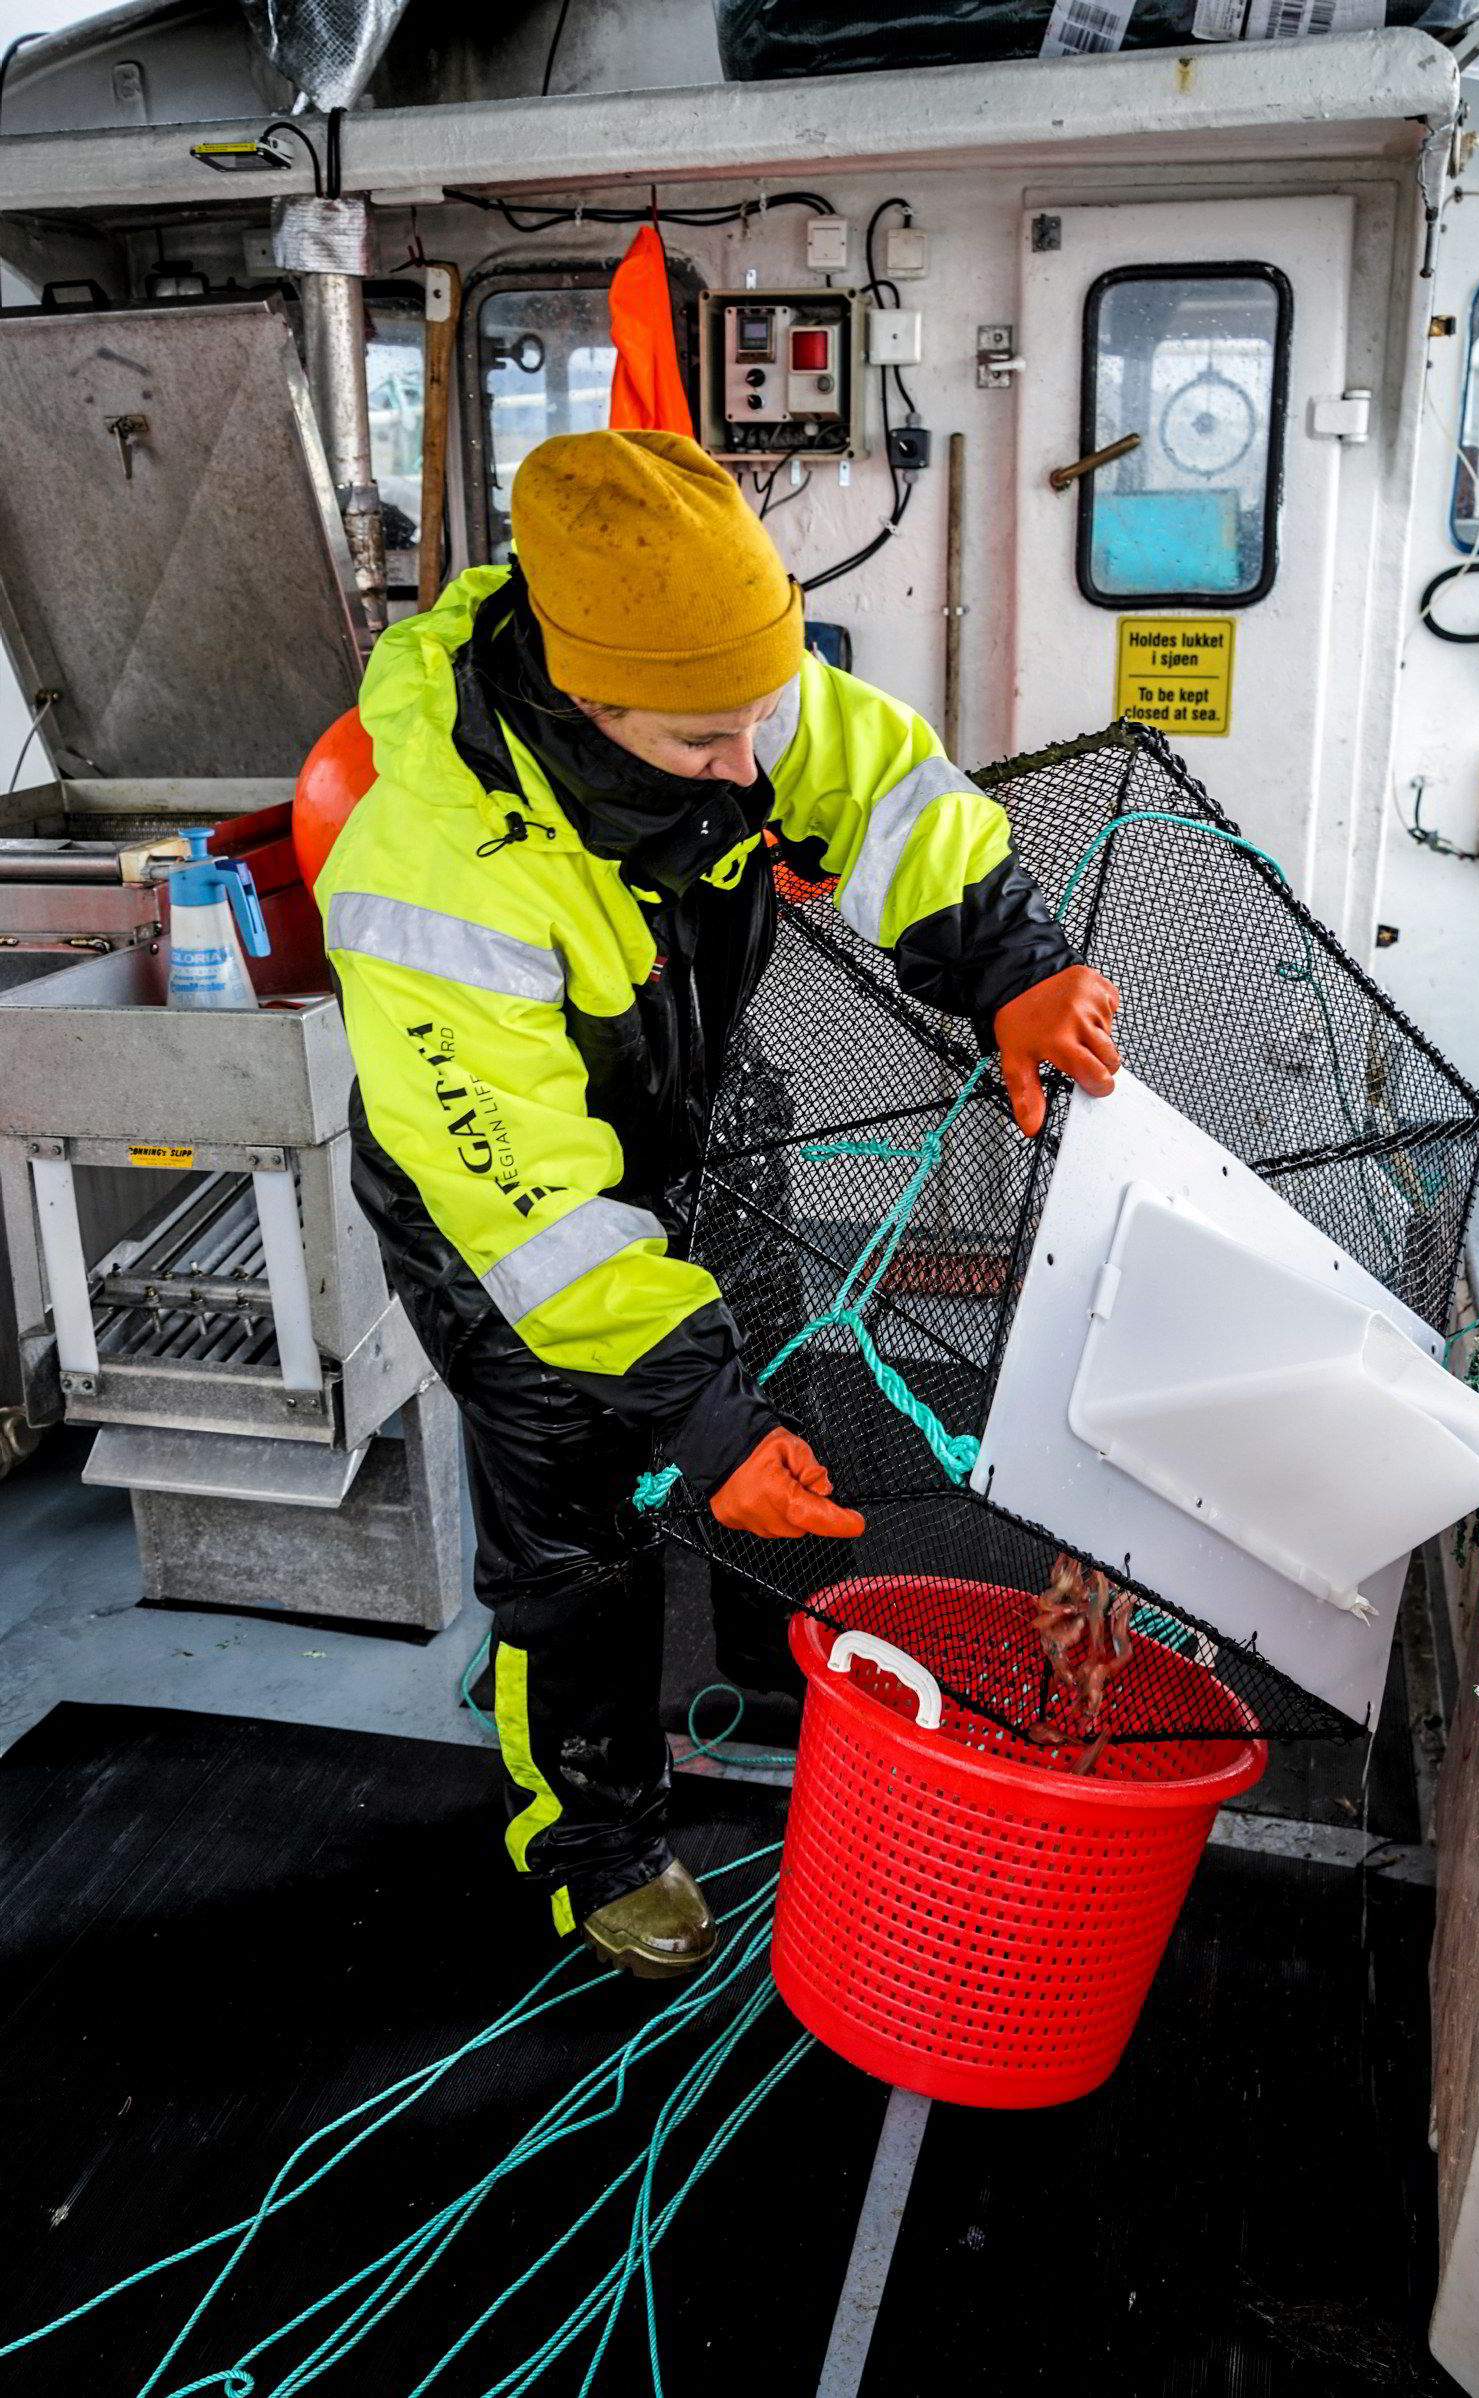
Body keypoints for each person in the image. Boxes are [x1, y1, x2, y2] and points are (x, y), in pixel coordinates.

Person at [312, 429, 1121, 1978]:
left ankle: (774, 1640)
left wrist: (1009, 963)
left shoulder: (712, 678)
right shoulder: (433, 878)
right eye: (701, 745)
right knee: (580, 1531)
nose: (749, 766)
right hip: (505, 1213)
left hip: (691, 1117)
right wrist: (697, 1415)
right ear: (586, 709)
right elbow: (538, 1209)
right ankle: (597, 1837)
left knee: (776, 1377)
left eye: (760, 717)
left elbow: (879, 786)